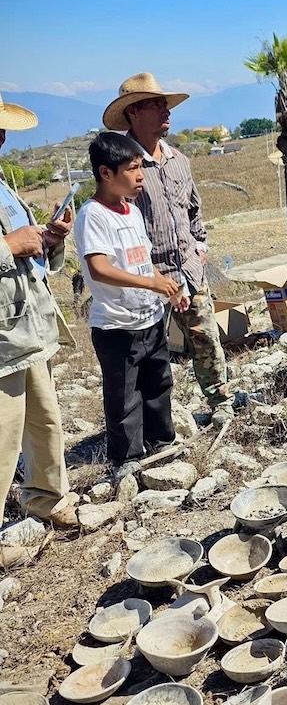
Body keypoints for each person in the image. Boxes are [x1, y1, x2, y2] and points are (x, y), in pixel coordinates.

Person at [102, 73, 235, 426]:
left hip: (189, 270)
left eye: (165, 104)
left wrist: (200, 245)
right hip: (149, 277)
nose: (166, 111)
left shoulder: (178, 160)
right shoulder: (125, 166)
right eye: (156, 105)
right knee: (150, 353)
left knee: (205, 340)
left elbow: (193, 208)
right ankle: (155, 420)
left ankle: (220, 401)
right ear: (133, 113)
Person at [74, 133, 188, 480]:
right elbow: (100, 268)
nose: (140, 175)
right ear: (106, 173)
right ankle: (127, 461)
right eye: (132, 169)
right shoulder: (93, 215)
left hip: (149, 318)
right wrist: (152, 283)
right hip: (116, 325)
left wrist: (166, 287)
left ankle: (161, 443)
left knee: (158, 383)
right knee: (124, 396)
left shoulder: (132, 210)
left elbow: (143, 261)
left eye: (141, 167)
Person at [0, 94, 78, 528]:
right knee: (2, 439)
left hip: (27, 329)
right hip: (2, 339)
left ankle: (47, 500)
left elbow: (32, 259)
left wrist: (51, 239)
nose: (2, 137)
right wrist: (9, 246)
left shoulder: (2, 186)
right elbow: (11, 248)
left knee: (44, 422)